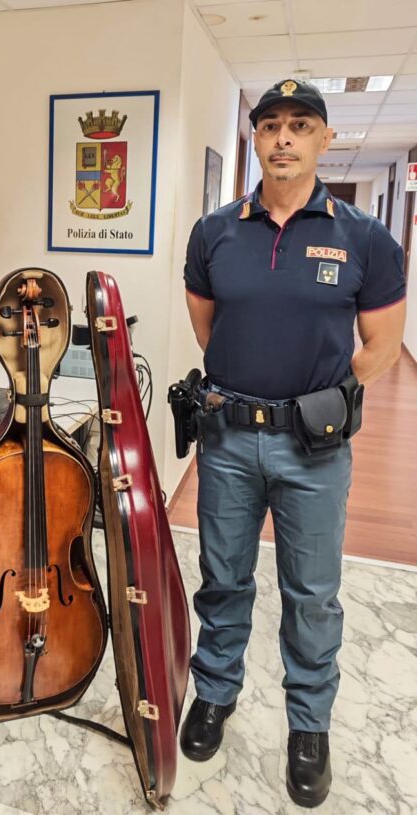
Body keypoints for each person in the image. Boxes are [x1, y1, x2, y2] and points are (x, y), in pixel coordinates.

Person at [179, 79, 406, 808]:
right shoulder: (215, 232)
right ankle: (215, 691)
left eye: (300, 124)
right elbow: (209, 328)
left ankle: (309, 725)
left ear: (323, 139)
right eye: (270, 124)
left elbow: (383, 342)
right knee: (224, 577)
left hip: (315, 450)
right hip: (227, 442)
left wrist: (329, 396)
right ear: (257, 139)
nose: (283, 136)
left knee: (312, 594)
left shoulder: (364, 238)